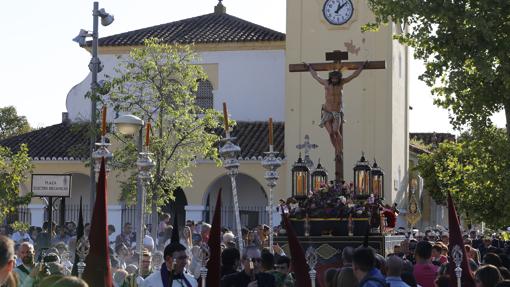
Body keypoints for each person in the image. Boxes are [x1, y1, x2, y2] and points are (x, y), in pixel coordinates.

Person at [305, 61, 366, 158]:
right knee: (331, 133)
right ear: (330, 78)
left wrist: (361, 66)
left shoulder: (342, 83)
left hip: (337, 112)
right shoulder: (326, 83)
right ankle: (337, 151)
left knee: (336, 131)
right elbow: (316, 76)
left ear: (339, 78)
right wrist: (309, 67)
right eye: (333, 78)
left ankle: (340, 150)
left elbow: (353, 75)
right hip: (327, 111)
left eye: (336, 78)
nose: (334, 80)